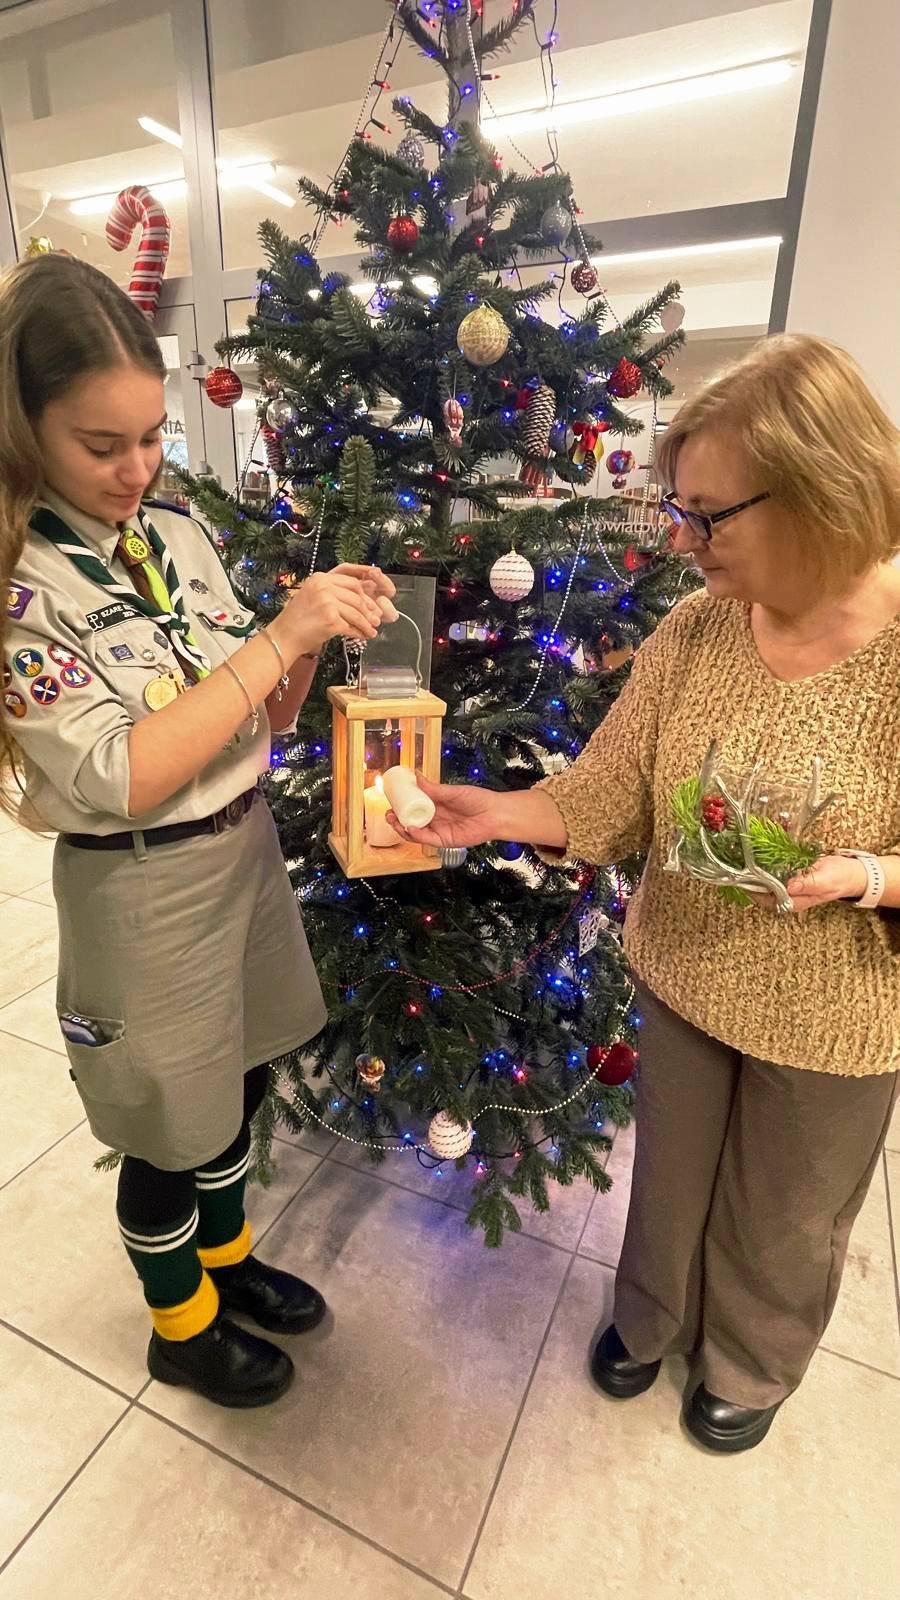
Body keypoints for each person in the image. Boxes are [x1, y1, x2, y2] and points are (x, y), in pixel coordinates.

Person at [391, 334, 900, 1453]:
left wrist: (870, 876)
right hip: (686, 975)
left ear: (819, 493)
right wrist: (495, 812)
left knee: (790, 1209)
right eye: (680, 508)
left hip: (836, 1015)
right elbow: (612, 790)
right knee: (668, 1178)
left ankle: (751, 1361)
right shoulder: (695, 630)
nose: (680, 539)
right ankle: (650, 1317)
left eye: (708, 516)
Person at [0, 253, 396, 1409]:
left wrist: (311, 638)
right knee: (168, 1128)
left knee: (243, 1072)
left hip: (242, 850)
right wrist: (276, 639)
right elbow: (124, 773)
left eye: (149, 437)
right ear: (23, 429)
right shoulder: (23, 586)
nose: (136, 469)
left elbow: (258, 714)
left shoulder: (175, 535)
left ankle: (227, 1260)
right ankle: (181, 1326)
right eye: (101, 444)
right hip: (143, 887)